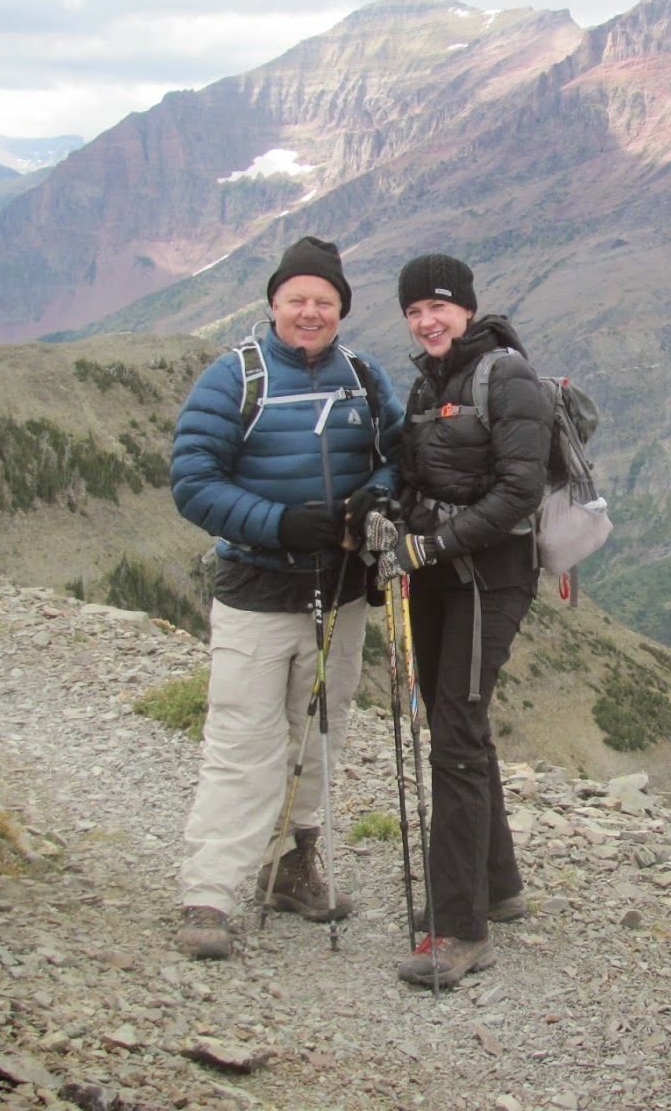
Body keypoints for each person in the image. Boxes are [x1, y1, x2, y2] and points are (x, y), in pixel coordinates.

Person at [169, 235, 403, 960]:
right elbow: (193, 481)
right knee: (243, 740)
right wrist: (277, 524)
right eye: (297, 298)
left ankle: (293, 867)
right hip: (257, 590)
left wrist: (378, 495)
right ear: (273, 303)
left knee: (320, 734)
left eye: (324, 301)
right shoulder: (233, 378)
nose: (310, 312)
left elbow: (401, 458)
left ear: (341, 310)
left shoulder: (363, 378)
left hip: (341, 594)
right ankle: (209, 895)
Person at [388, 253, 552, 987]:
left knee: (455, 731)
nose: (427, 321)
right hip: (435, 575)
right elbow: (415, 475)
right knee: (457, 722)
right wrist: (392, 516)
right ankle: (500, 886)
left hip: (491, 576)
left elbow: (520, 488)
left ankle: (460, 929)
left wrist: (435, 543)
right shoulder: (429, 380)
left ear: (466, 308)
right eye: (414, 311)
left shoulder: (505, 376)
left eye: (438, 307)